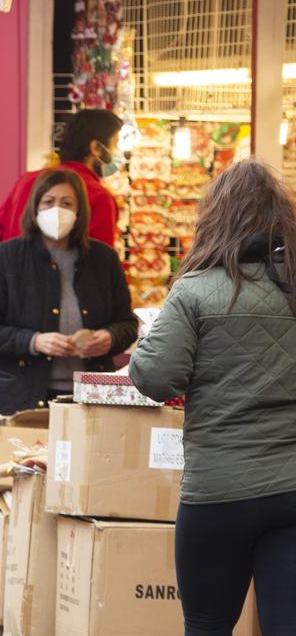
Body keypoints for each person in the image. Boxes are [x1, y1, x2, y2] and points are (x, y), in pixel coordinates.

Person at [130, 161, 296, 635]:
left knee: (207, 624)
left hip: (218, 491)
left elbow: (157, 378)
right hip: (292, 487)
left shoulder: (197, 291)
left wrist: (146, 340)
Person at [0, 170, 137, 418]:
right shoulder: (5, 258)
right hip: (17, 399)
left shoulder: (104, 259)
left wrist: (110, 337)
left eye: (67, 203)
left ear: (79, 211)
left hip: (88, 400)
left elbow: (128, 324)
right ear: (35, 208)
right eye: (48, 202)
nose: (57, 210)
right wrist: (34, 341)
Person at [0, 109, 124, 247]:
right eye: (115, 144)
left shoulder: (27, 180)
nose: (118, 152)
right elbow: (101, 261)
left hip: (12, 267)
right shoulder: (99, 197)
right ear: (96, 148)